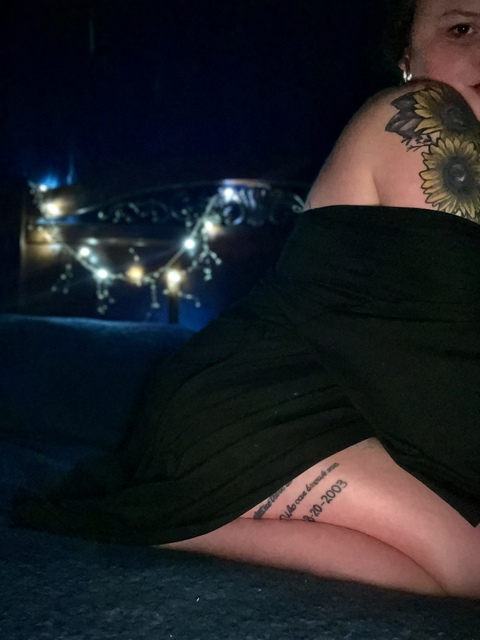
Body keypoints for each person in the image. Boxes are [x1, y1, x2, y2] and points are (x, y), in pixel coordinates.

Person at [11, 0, 480, 600]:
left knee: (453, 572)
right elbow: (454, 355)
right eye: (462, 28)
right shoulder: (425, 115)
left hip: (351, 415)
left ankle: (159, 516)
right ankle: (157, 507)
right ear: (405, 56)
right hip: (255, 402)